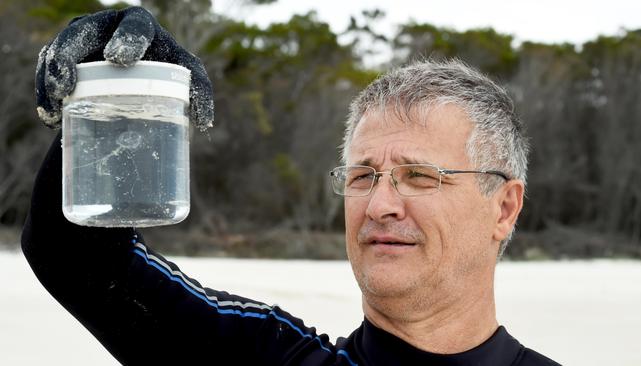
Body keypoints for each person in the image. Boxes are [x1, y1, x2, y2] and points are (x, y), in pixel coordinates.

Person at [23, 6, 560, 366]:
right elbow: (79, 257)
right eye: (363, 176)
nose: (380, 204)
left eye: (419, 176)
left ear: (504, 208)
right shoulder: (270, 357)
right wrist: (118, 94)